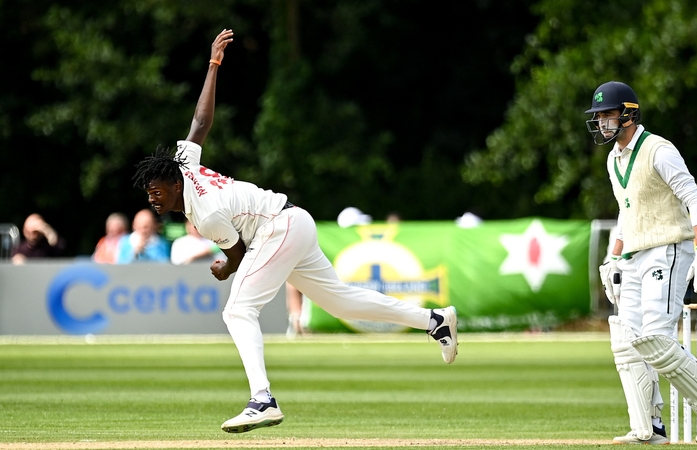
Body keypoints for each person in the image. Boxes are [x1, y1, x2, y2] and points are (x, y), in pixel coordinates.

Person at [131, 29, 457, 434]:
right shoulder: (183, 164)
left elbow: (236, 254)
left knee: (237, 310)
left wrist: (225, 269)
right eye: (149, 195)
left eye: (157, 192)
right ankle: (435, 320)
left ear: (175, 185)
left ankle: (262, 399)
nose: (154, 200)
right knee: (340, 303)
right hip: (292, 223)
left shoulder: (206, 212)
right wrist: (213, 65)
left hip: (279, 227)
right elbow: (200, 121)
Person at [586, 81, 697, 445]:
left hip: (668, 248)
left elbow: (693, 197)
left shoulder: (658, 150)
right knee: (626, 338)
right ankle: (648, 428)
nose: (603, 123)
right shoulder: (613, 159)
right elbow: (626, 211)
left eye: (608, 115)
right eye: (599, 117)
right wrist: (614, 256)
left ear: (628, 113)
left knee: (655, 336)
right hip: (635, 254)